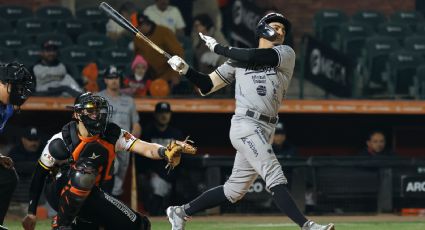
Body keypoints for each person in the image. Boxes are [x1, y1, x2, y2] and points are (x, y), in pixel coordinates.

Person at [165, 12, 335, 230]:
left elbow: (258, 57)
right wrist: (186, 70)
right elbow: (206, 86)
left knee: (234, 190)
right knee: (273, 173)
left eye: (283, 29)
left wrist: (219, 48)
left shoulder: (285, 53)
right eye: (276, 26)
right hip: (245, 124)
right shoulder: (238, 60)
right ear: (263, 28)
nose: (281, 31)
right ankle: (307, 226)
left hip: (267, 127)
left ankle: (180, 211)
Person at [21, 92, 195, 230]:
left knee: (140, 225)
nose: (96, 115)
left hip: (92, 192)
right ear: (77, 114)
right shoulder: (60, 141)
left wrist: (165, 152)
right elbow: (39, 176)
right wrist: (31, 212)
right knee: (85, 171)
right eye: (90, 110)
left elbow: (144, 147)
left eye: (99, 110)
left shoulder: (112, 134)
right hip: (60, 192)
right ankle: (62, 223)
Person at [0, 62, 35, 230]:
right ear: (2, 83)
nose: (19, 92)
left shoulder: (7, 108)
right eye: (16, 87)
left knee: (7, 176)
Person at [97, 66, 142, 197]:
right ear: (105, 80)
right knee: (111, 169)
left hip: (124, 142)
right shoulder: (98, 98)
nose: (114, 81)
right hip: (106, 142)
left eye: (116, 77)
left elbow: (136, 123)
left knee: (120, 175)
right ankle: (104, 198)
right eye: (110, 78)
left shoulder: (129, 101)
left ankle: (113, 202)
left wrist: (134, 137)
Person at [135, 101, 184, 215]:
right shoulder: (147, 132)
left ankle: (157, 211)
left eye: (166, 113)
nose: (164, 116)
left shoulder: (176, 134)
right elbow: (141, 157)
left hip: (169, 175)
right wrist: (147, 172)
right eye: (161, 113)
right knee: (147, 182)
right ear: (155, 114)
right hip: (150, 174)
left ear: (170, 115)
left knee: (161, 185)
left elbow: (180, 160)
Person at [134, 13, 184, 86]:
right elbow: (137, 56)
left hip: (167, 75)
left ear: (144, 24)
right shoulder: (137, 37)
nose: (137, 30)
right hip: (147, 76)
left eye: (138, 27)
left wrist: (175, 74)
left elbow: (179, 53)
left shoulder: (164, 32)